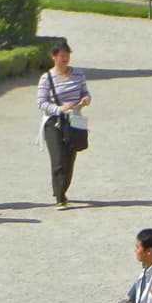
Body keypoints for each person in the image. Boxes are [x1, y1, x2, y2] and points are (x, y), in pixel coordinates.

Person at [37, 39, 91, 208]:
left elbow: (85, 92)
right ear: (53, 57)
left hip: (74, 120)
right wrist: (59, 108)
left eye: (67, 55)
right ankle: (60, 196)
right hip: (53, 122)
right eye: (62, 56)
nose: (65, 59)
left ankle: (62, 188)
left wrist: (85, 100)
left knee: (70, 159)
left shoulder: (78, 74)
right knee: (58, 159)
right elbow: (41, 103)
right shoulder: (46, 78)